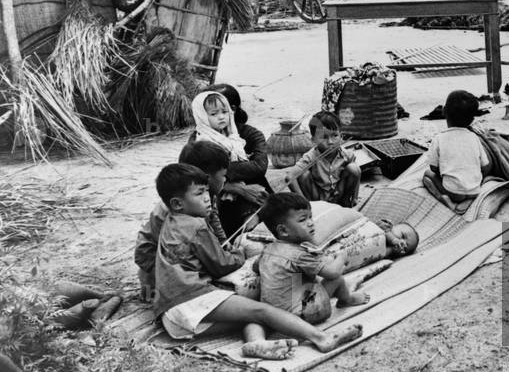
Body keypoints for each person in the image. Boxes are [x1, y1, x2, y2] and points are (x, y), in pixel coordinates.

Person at [152, 163, 361, 357]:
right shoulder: (195, 225)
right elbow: (222, 264)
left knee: (252, 313)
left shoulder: (171, 222)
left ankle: (256, 343)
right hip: (191, 299)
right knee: (266, 310)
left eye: (206, 190)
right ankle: (322, 338)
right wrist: (240, 253)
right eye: (199, 193)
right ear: (177, 203)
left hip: (171, 315)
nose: (207, 197)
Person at [255, 192, 373, 323]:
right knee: (336, 279)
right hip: (302, 314)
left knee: (306, 278)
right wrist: (342, 256)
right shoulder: (299, 255)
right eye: (302, 220)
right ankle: (346, 299)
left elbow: (256, 267)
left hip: (274, 316)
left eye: (310, 217)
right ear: (283, 230)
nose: (311, 223)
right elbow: (332, 273)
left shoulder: (267, 250)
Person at [135, 142, 230, 303]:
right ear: (206, 176)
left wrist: (224, 243)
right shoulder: (167, 212)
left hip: (181, 248)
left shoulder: (205, 195)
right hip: (154, 255)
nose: (226, 180)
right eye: (223, 176)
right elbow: (167, 247)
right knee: (163, 290)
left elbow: (214, 219)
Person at [187, 90, 270, 234]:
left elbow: (259, 167)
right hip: (219, 191)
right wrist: (232, 185)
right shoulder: (200, 138)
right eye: (213, 114)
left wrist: (219, 170)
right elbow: (195, 172)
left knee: (264, 201)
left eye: (224, 111)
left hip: (252, 185)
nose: (221, 117)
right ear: (201, 115)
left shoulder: (243, 135)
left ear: (232, 110)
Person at [422, 90, 491, 210]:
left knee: (427, 176)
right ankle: (469, 201)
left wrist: (447, 173)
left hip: (452, 192)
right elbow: (485, 166)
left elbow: (433, 168)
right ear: (471, 120)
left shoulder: (439, 138)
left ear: (444, 111)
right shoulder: (474, 137)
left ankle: (444, 200)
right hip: (474, 190)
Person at [292, 111, 361, 208]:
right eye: (324, 137)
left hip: (338, 194)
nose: (330, 142)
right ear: (313, 140)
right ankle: (311, 207)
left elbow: (357, 174)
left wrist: (355, 197)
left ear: (341, 136)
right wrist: (302, 202)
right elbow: (290, 177)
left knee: (354, 168)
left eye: (335, 135)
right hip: (317, 198)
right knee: (303, 174)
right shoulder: (310, 156)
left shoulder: (347, 154)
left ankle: (345, 203)